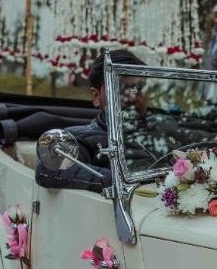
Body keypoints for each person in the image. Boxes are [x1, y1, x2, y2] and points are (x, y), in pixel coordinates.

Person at [36, 49, 146, 192]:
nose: (133, 97)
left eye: (139, 89)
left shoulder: (166, 127)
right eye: (120, 89)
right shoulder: (79, 138)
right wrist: (134, 182)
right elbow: (49, 169)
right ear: (96, 96)